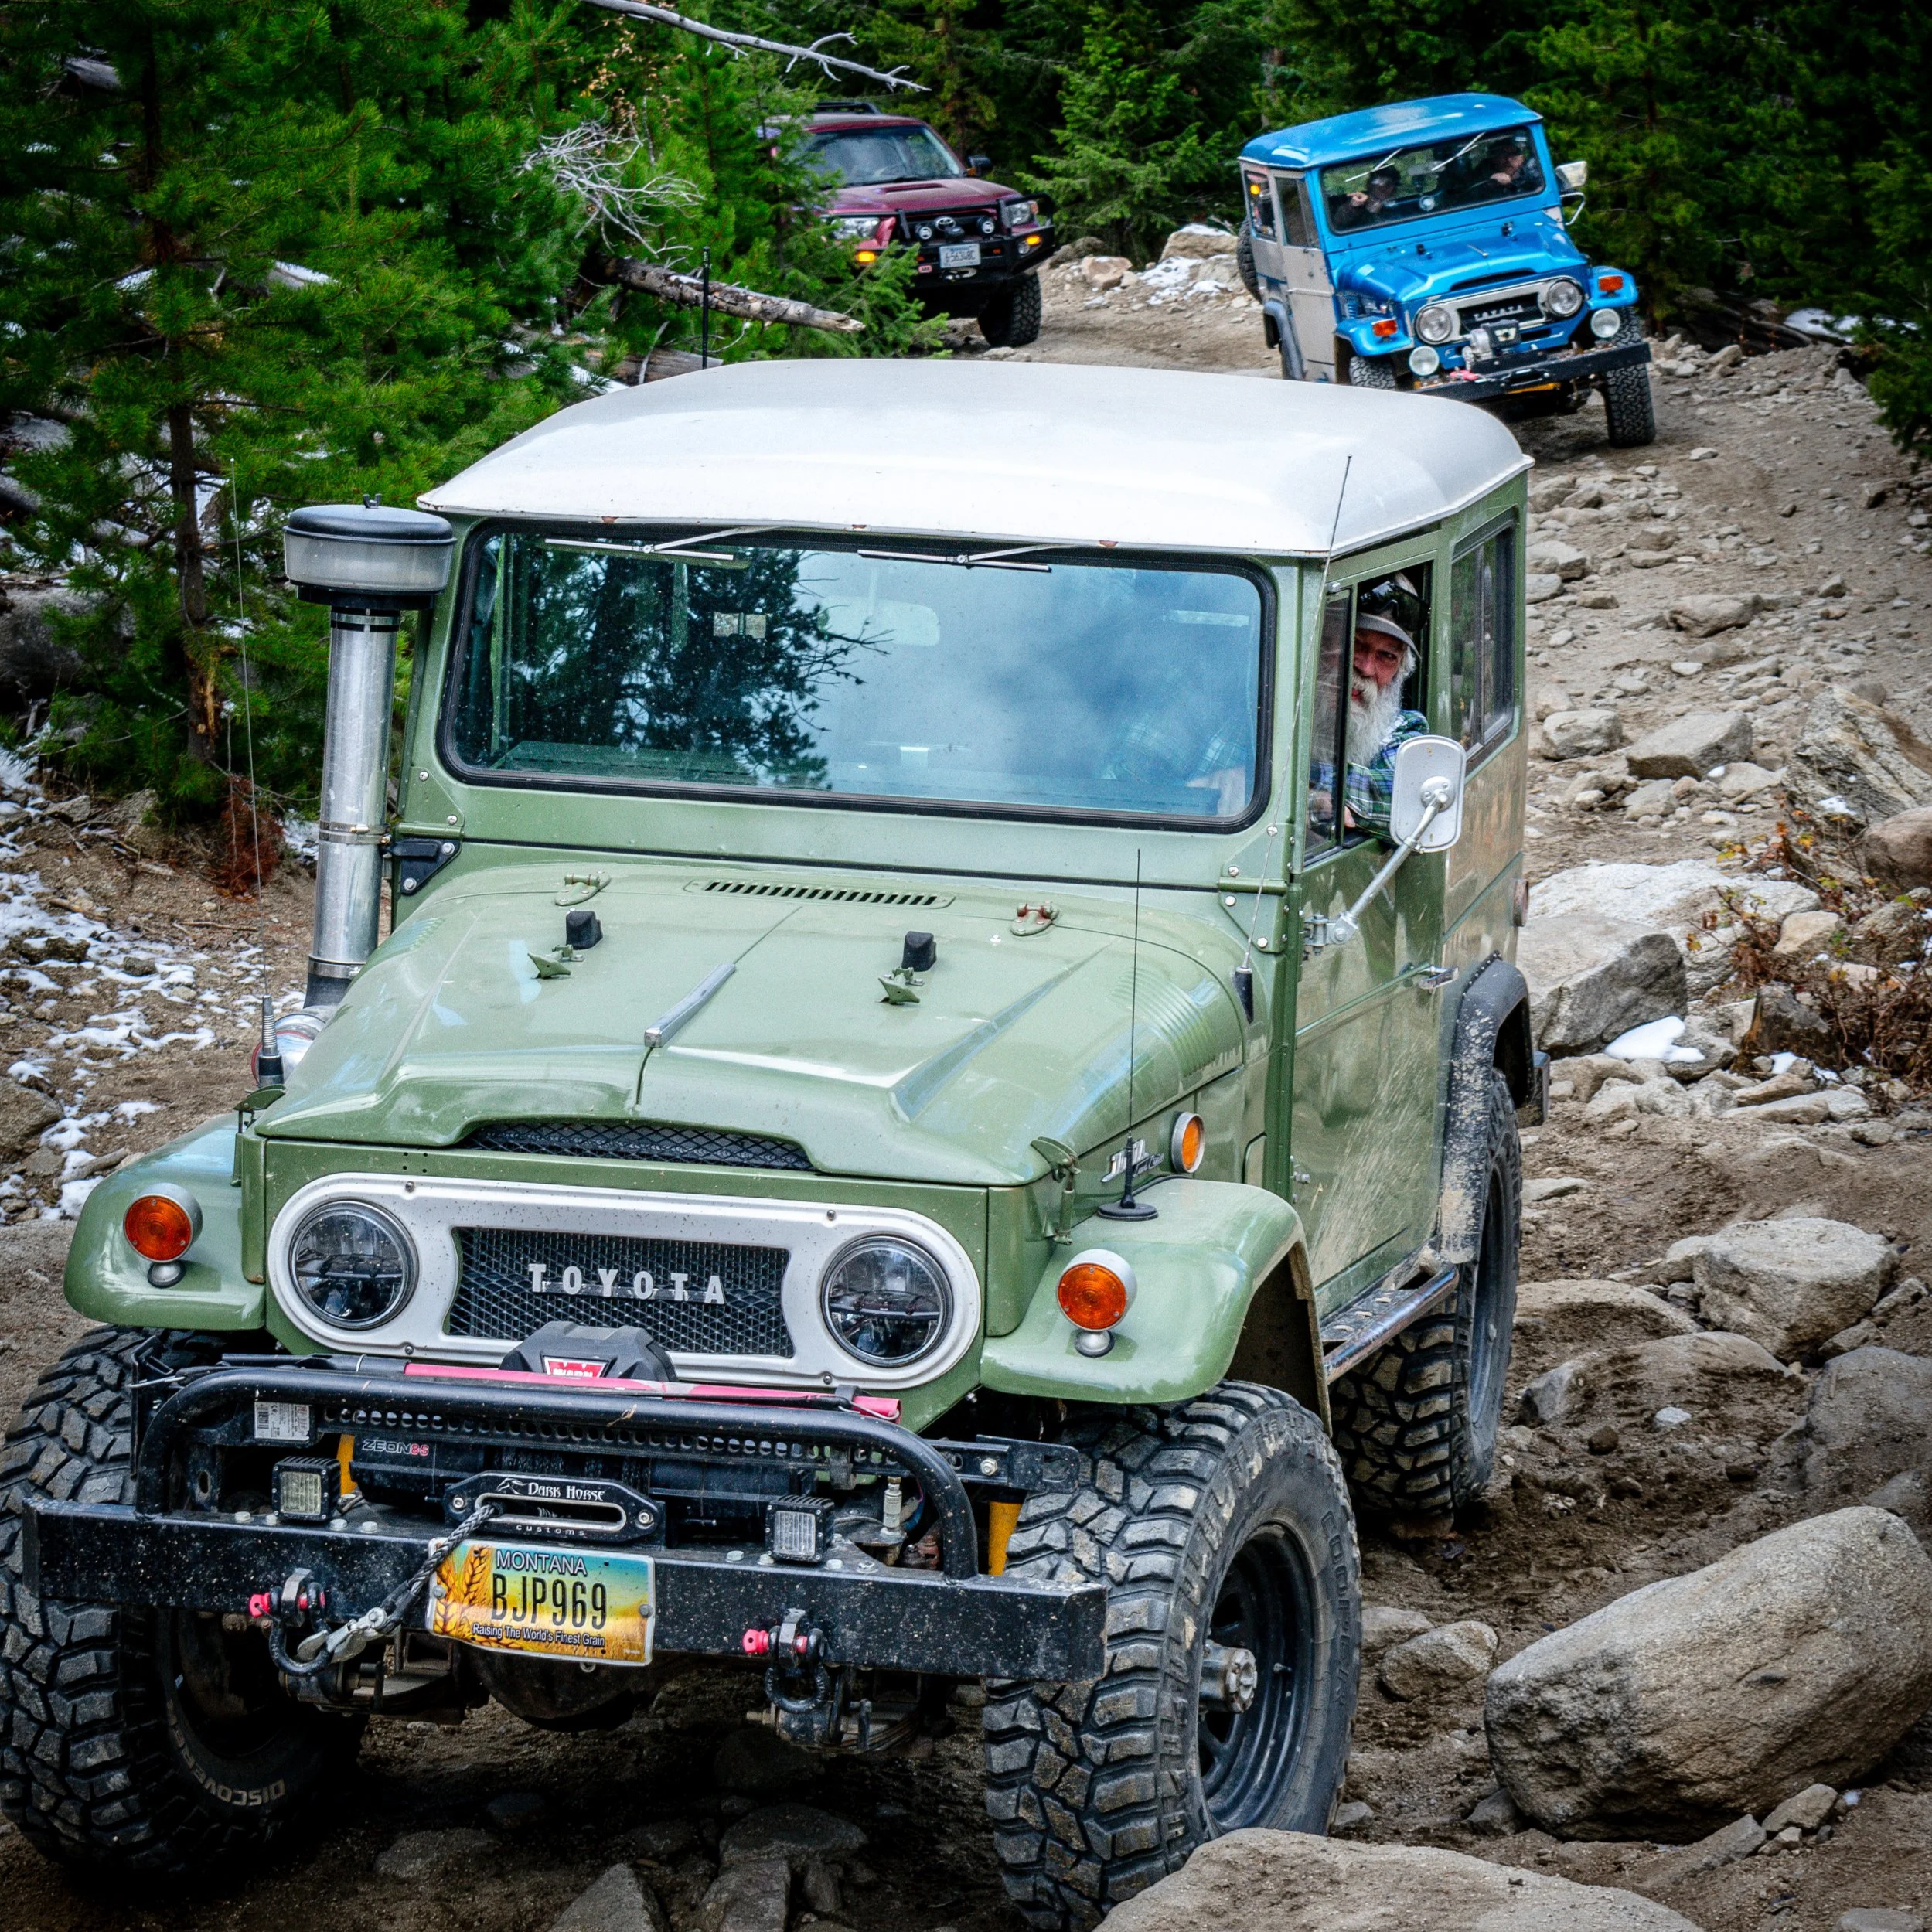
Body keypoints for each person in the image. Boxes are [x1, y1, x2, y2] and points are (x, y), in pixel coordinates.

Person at [1309, 596, 1428, 837]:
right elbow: (1213, 759)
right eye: (1355, 644)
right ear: (1322, 645)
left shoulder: (1403, 730)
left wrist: (1306, 792)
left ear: (1399, 672)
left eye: (1387, 656)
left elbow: (1407, 801)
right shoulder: (1273, 713)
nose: (1365, 668)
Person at [1327, 166, 1400, 232]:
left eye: (1390, 185)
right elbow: (1338, 223)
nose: (1384, 188)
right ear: (1369, 184)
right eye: (1381, 183)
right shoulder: (1358, 201)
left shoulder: (1395, 206)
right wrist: (1353, 207)